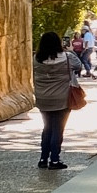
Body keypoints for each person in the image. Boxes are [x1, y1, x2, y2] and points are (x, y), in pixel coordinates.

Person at [32, 30, 78, 171]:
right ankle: (55, 160)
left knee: (47, 127)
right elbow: (79, 65)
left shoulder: (36, 59)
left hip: (43, 98)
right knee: (58, 129)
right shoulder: (67, 57)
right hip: (62, 98)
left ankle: (43, 158)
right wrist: (69, 50)